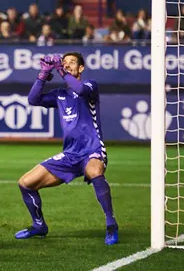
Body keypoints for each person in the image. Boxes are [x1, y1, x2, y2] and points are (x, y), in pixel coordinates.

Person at [19, 53, 118, 245]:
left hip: (91, 149)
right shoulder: (59, 95)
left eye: (72, 63)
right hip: (70, 154)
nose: (67, 65)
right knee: (25, 183)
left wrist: (62, 72)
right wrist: (43, 74)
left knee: (95, 171)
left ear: (81, 68)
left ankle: (111, 224)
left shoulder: (90, 86)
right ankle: (39, 225)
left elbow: (79, 89)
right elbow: (33, 100)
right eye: (64, 63)